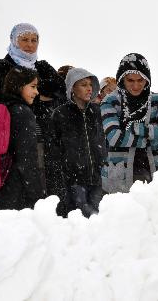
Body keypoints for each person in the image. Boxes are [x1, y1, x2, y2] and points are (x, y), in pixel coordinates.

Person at [0, 23, 66, 216]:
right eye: (24, 39)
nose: (30, 45)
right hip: (14, 136)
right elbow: (8, 94)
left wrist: (32, 93)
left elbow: (60, 89)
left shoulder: (42, 66)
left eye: (34, 40)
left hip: (46, 134)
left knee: (51, 189)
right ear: (14, 41)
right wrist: (43, 96)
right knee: (20, 186)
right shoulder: (2, 66)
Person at [100, 53, 158, 193]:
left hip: (153, 170)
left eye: (140, 80)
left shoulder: (157, 101)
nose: (136, 86)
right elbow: (114, 136)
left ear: (147, 80)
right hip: (119, 174)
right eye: (130, 80)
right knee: (123, 213)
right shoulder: (110, 101)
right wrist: (147, 139)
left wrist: (139, 128)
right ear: (122, 79)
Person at [0, 68, 45, 216]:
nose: (37, 92)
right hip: (14, 193)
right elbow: (27, 160)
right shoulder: (23, 112)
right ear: (19, 86)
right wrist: (38, 197)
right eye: (33, 87)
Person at [52, 68, 107, 217]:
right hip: (73, 180)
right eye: (83, 84)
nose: (89, 88)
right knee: (79, 219)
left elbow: (103, 141)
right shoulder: (60, 114)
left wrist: (103, 162)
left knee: (97, 219)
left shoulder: (97, 111)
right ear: (72, 87)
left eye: (90, 84)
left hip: (97, 178)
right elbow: (54, 149)